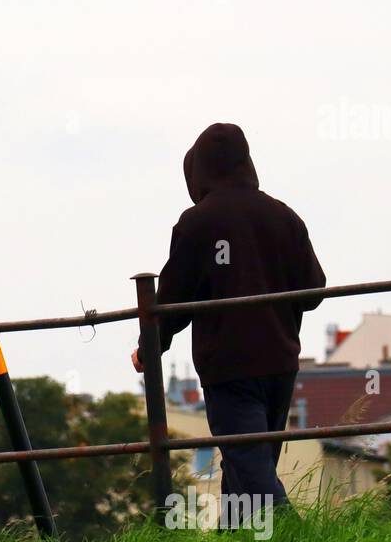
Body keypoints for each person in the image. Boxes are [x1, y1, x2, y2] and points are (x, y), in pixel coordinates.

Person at [132, 123, 325, 513]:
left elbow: (172, 299)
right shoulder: (284, 216)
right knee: (248, 468)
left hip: (229, 368)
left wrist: (148, 348)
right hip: (281, 362)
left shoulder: (197, 222)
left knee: (252, 471)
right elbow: (314, 290)